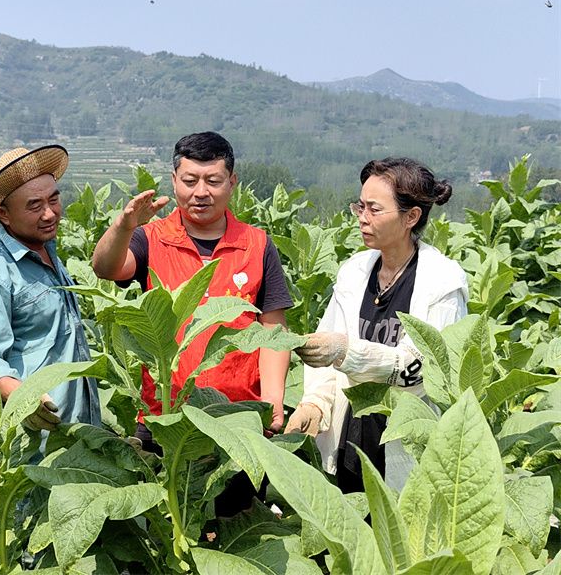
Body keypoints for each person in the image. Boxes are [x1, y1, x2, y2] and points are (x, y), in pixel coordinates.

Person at [92, 131, 293, 442]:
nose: (201, 192)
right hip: (166, 417)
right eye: (190, 181)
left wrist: (273, 399)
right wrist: (124, 225)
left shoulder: (257, 244)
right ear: (174, 181)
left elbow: (272, 330)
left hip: (238, 417)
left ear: (232, 182)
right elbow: (105, 268)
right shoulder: (151, 238)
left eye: (213, 181)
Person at [285, 157, 468, 492]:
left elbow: (423, 371)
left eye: (374, 209)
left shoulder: (442, 284)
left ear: (411, 217)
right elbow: (328, 351)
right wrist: (316, 402)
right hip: (351, 440)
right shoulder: (354, 272)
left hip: (403, 443)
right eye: (360, 206)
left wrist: (346, 351)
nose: (362, 219)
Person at [0, 145, 100, 434]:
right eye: (35, 205)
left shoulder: (46, 248)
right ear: (4, 214)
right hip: (34, 438)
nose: (50, 214)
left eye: (54, 200)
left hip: (75, 426)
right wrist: (24, 398)